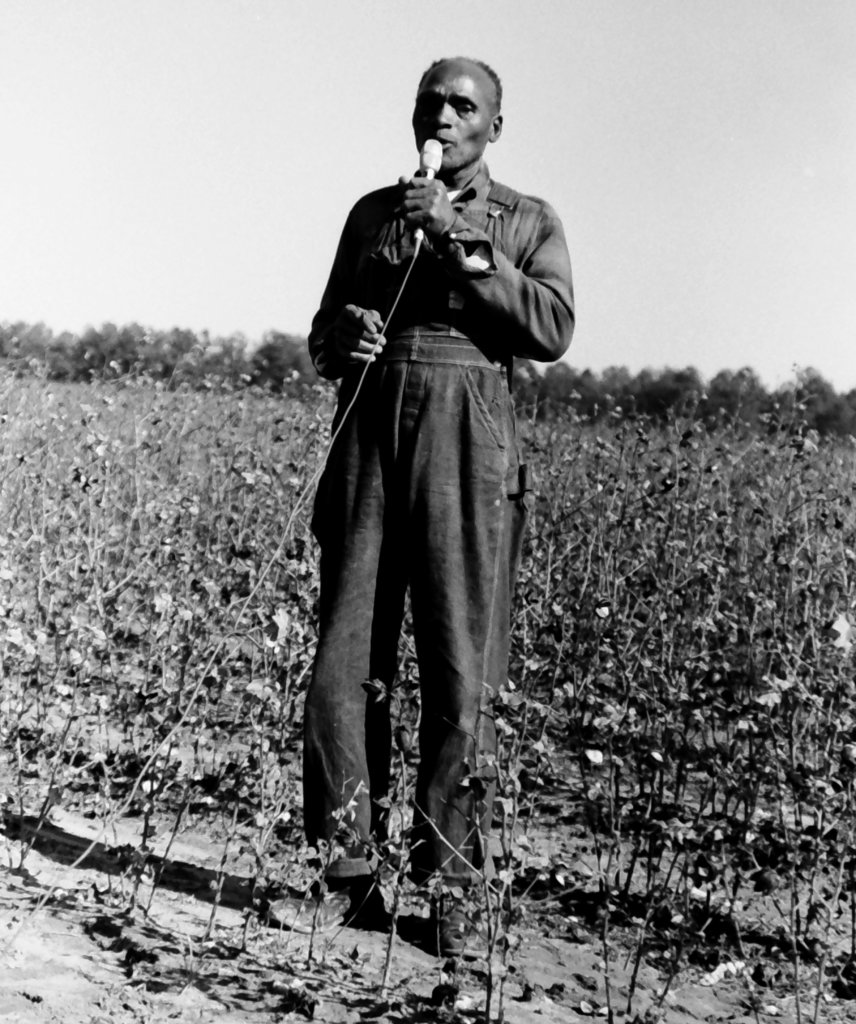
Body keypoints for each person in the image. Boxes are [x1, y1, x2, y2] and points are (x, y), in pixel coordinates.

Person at [302, 56, 574, 955]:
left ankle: (452, 878)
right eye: (432, 104)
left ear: (495, 126)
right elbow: (321, 333)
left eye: (465, 107)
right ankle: (345, 870)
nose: (445, 117)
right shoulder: (372, 212)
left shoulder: (528, 220)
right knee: (346, 656)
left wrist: (458, 231)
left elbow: (551, 328)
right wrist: (342, 334)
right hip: (369, 429)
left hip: (469, 437)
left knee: (463, 669)